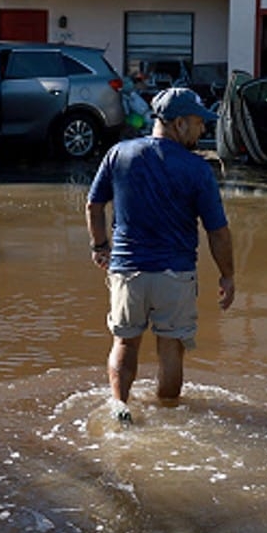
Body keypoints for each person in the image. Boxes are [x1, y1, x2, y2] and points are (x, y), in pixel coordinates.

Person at [86, 87, 236, 424]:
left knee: (124, 343)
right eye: (199, 123)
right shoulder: (197, 170)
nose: (203, 130)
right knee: (171, 348)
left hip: (127, 271)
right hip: (175, 275)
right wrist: (227, 275)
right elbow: (218, 231)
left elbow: (94, 204)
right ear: (179, 124)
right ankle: (168, 418)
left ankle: (119, 405)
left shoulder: (119, 154)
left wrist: (100, 247)